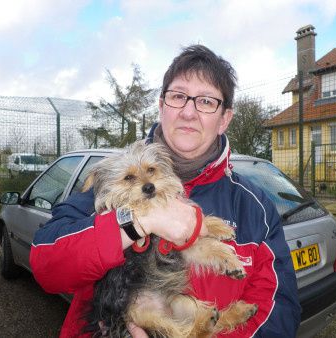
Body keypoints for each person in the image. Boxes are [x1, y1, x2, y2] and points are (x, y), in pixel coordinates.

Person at [30, 45, 301, 337]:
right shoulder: (110, 185)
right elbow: (46, 264)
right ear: (161, 107)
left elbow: (279, 312)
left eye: (206, 101)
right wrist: (135, 223)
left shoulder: (255, 208)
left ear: (224, 119)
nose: (188, 112)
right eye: (178, 96)